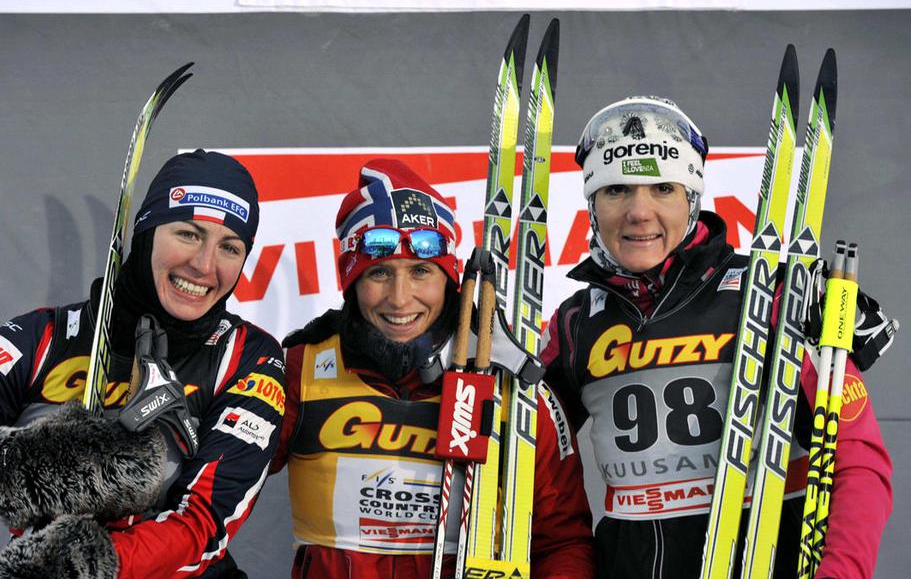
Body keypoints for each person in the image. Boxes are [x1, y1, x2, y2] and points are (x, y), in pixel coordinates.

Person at [540, 96, 894, 578]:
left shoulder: (770, 296)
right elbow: (531, 466)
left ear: (692, 199)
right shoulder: (574, 324)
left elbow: (858, 459)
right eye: (617, 190)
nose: (639, 213)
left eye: (663, 188)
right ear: (592, 204)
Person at [0, 149, 287, 578]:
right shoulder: (36, 339)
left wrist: (73, 569)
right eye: (188, 234)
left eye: (230, 246)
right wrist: (39, 464)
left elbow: (202, 526)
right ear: (146, 234)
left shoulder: (249, 358)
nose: (204, 264)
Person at [270, 159, 596, 578]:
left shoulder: (510, 385)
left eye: (421, 271)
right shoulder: (300, 371)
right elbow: (215, 495)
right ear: (350, 281)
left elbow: (564, 539)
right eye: (380, 273)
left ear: (450, 279)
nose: (400, 298)